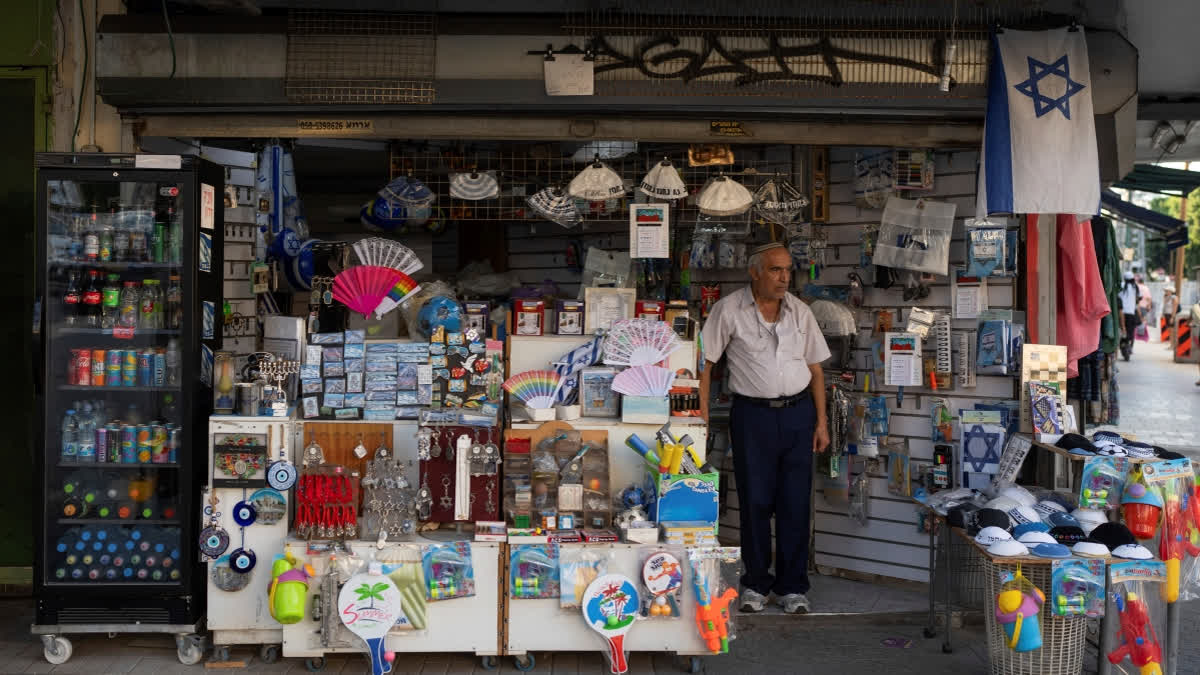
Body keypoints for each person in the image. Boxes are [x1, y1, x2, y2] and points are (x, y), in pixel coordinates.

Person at [698, 242, 831, 615]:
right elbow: (705, 364)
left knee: (794, 502)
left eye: (788, 270)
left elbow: (817, 370)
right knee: (754, 502)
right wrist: (703, 414)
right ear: (754, 272)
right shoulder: (728, 310)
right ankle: (755, 584)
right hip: (752, 416)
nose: (784, 277)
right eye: (775, 270)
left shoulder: (800, 313)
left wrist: (821, 422)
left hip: (797, 414)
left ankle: (792, 588)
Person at [1118, 271, 1139, 360]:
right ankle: (1129, 346)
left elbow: (1117, 297)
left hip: (1121, 312)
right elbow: (1138, 298)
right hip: (1131, 313)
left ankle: (1123, 345)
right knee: (1131, 332)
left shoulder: (1121, 286)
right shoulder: (1135, 287)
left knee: (1123, 330)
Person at [1162, 283, 1180, 350]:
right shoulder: (1166, 297)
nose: (1165, 292)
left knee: (1172, 330)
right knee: (1170, 330)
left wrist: (1172, 317)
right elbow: (1164, 307)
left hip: (1171, 315)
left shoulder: (1174, 298)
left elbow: (1175, 308)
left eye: (1167, 291)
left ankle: (1173, 345)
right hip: (1167, 314)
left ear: (1171, 291)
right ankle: (1171, 344)